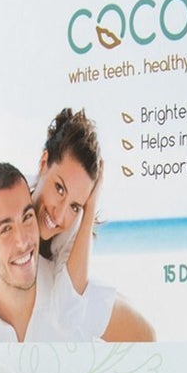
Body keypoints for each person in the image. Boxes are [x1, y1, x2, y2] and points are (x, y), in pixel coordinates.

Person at [31, 108, 155, 342]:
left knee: (145, 333)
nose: (60, 215)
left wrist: (90, 207)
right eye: (59, 189)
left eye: (74, 205)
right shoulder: (12, 197)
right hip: (54, 289)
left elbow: (69, 306)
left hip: (71, 283)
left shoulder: (75, 225)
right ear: (43, 163)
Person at [0, 161, 115, 343]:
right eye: (6, 229)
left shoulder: (74, 293)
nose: (22, 242)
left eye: (27, 217)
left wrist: (90, 207)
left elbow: (145, 333)